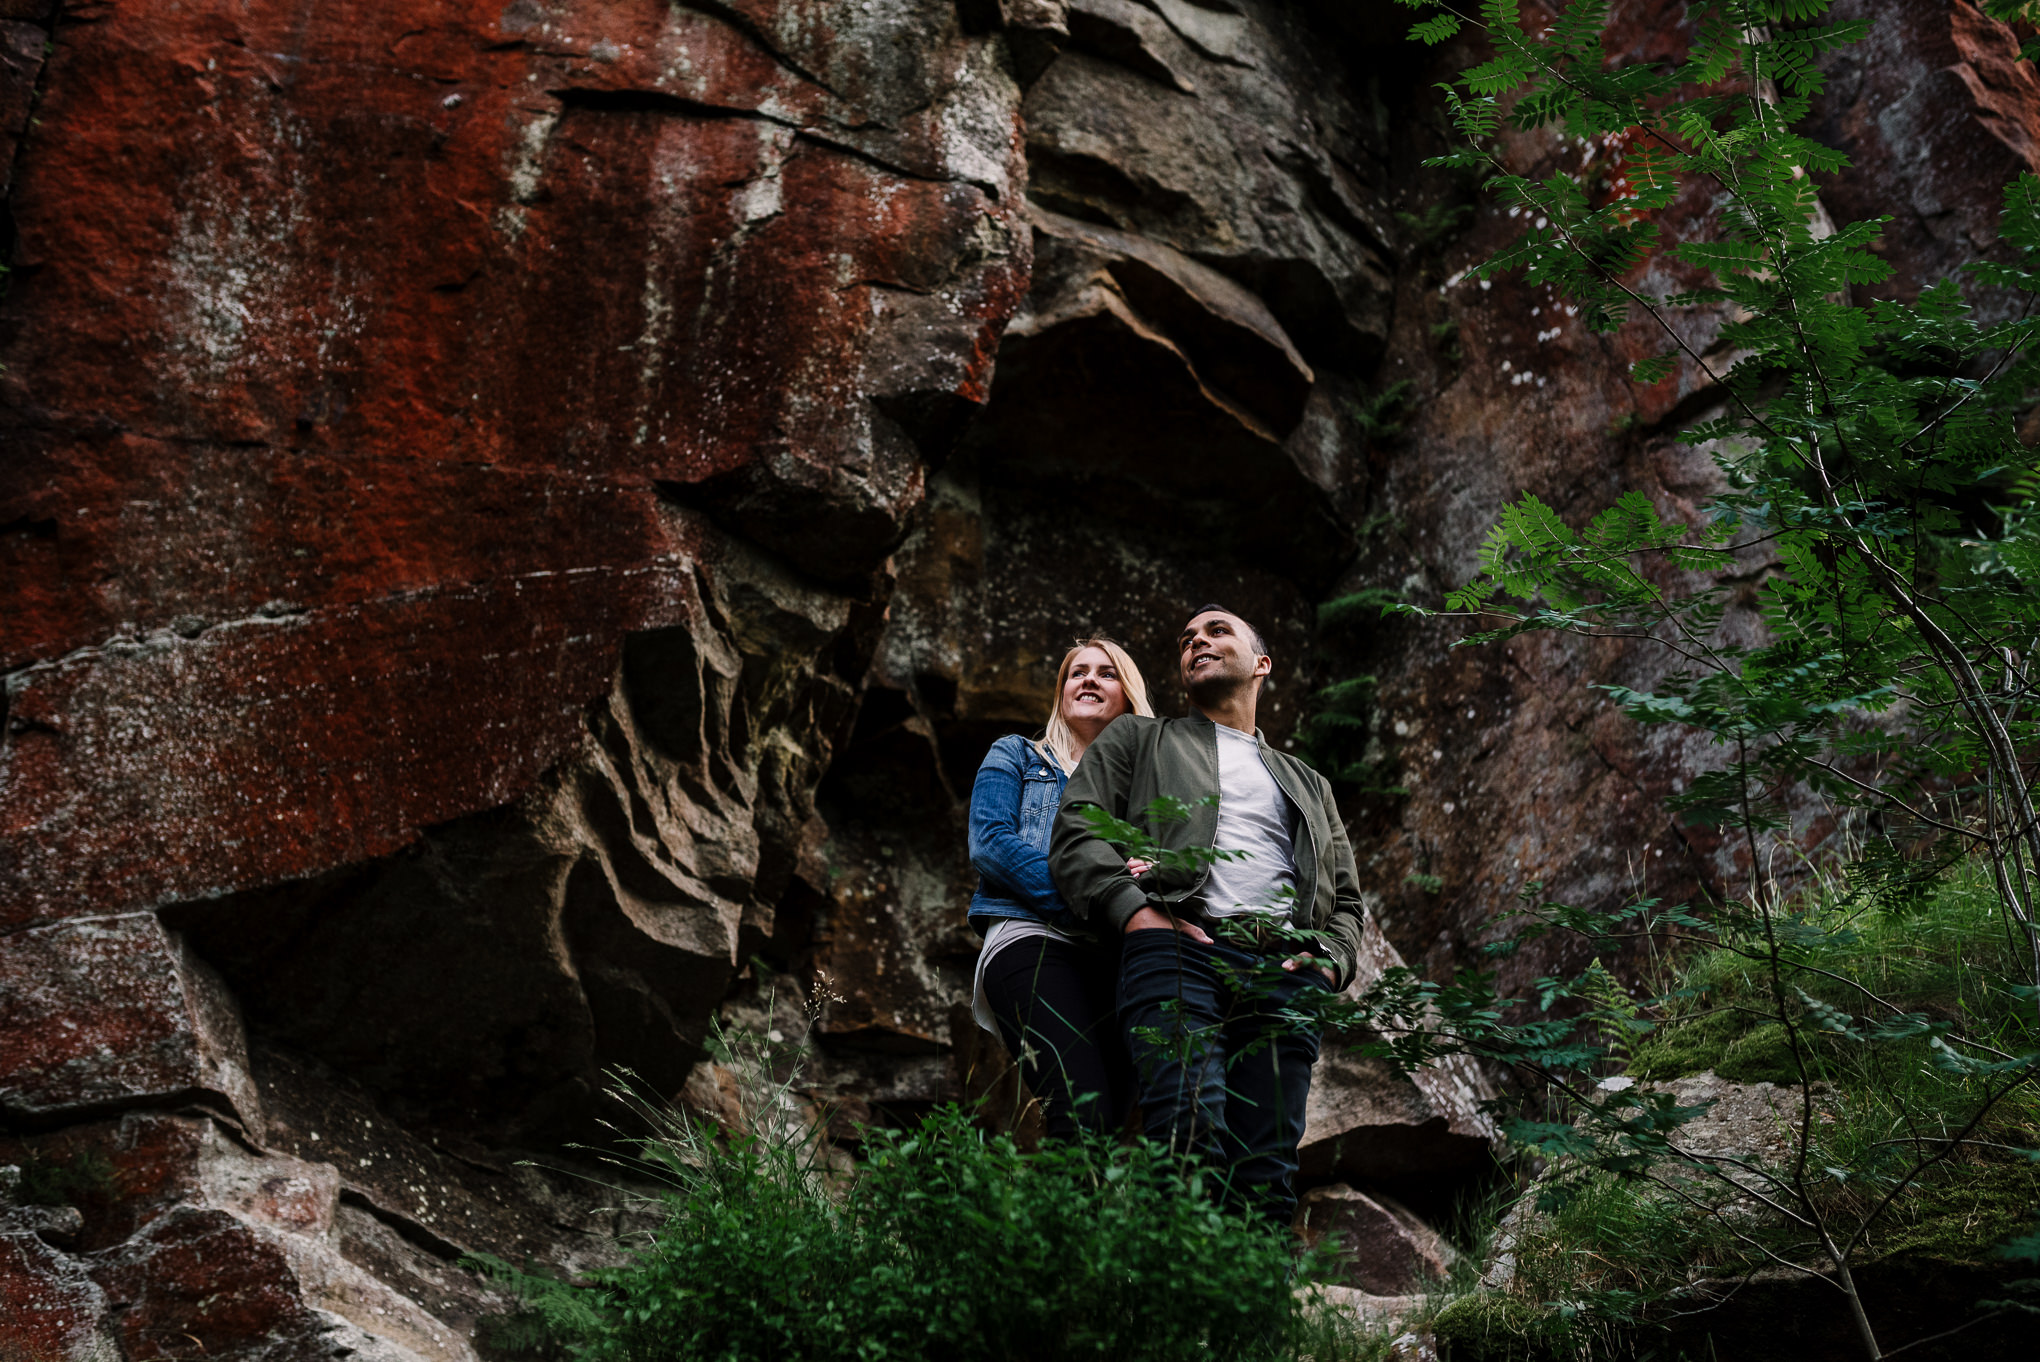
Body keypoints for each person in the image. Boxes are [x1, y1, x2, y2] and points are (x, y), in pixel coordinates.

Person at [1048, 605, 1366, 1225]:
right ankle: (1169, 1317)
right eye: (1187, 638)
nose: (1197, 641)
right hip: (1175, 950)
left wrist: (1327, 961)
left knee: (1267, 1166)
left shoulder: (1309, 783)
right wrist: (1136, 913)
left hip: (1284, 971)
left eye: (1217, 631)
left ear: (1262, 664)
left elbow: (1347, 899)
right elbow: (1077, 835)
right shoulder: (1140, 739)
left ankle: (1253, 1322)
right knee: (1185, 1130)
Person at [967, 637, 1153, 1139]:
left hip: (1118, 958)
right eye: (1077, 672)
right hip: (1032, 936)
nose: (1089, 679)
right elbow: (991, 844)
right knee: (1082, 1108)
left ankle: (1059, 1220)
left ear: (1129, 696)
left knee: (1110, 1124)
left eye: (1106, 673)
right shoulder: (1019, 755)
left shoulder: (1150, 789)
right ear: (1061, 692)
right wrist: (1097, 900)